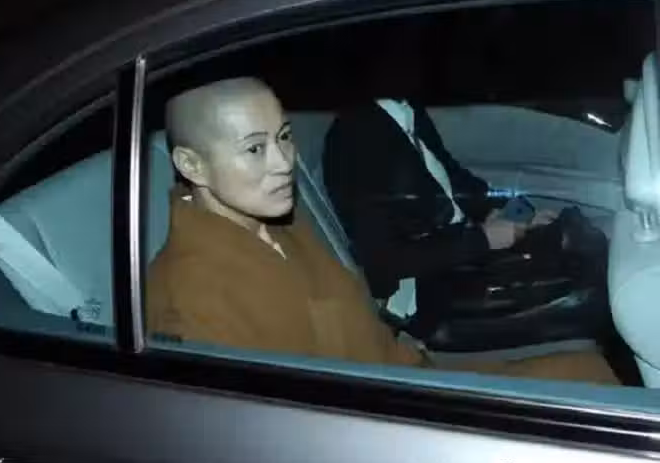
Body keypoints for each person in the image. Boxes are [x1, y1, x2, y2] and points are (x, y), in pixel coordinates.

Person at [146, 77, 619, 384]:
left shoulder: (277, 227)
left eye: (284, 138)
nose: (284, 163)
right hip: (384, 416)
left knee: (589, 370)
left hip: (401, 374)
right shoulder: (188, 300)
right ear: (191, 165)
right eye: (255, 149)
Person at [322, 97, 613, 351]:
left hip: (460, 250)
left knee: (576, 236)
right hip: (426, 296)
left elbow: (448, 173)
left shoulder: (404, 109)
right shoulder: (355, 140)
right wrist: (483, 239)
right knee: (593, 294)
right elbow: (383, 263)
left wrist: (505, 210)